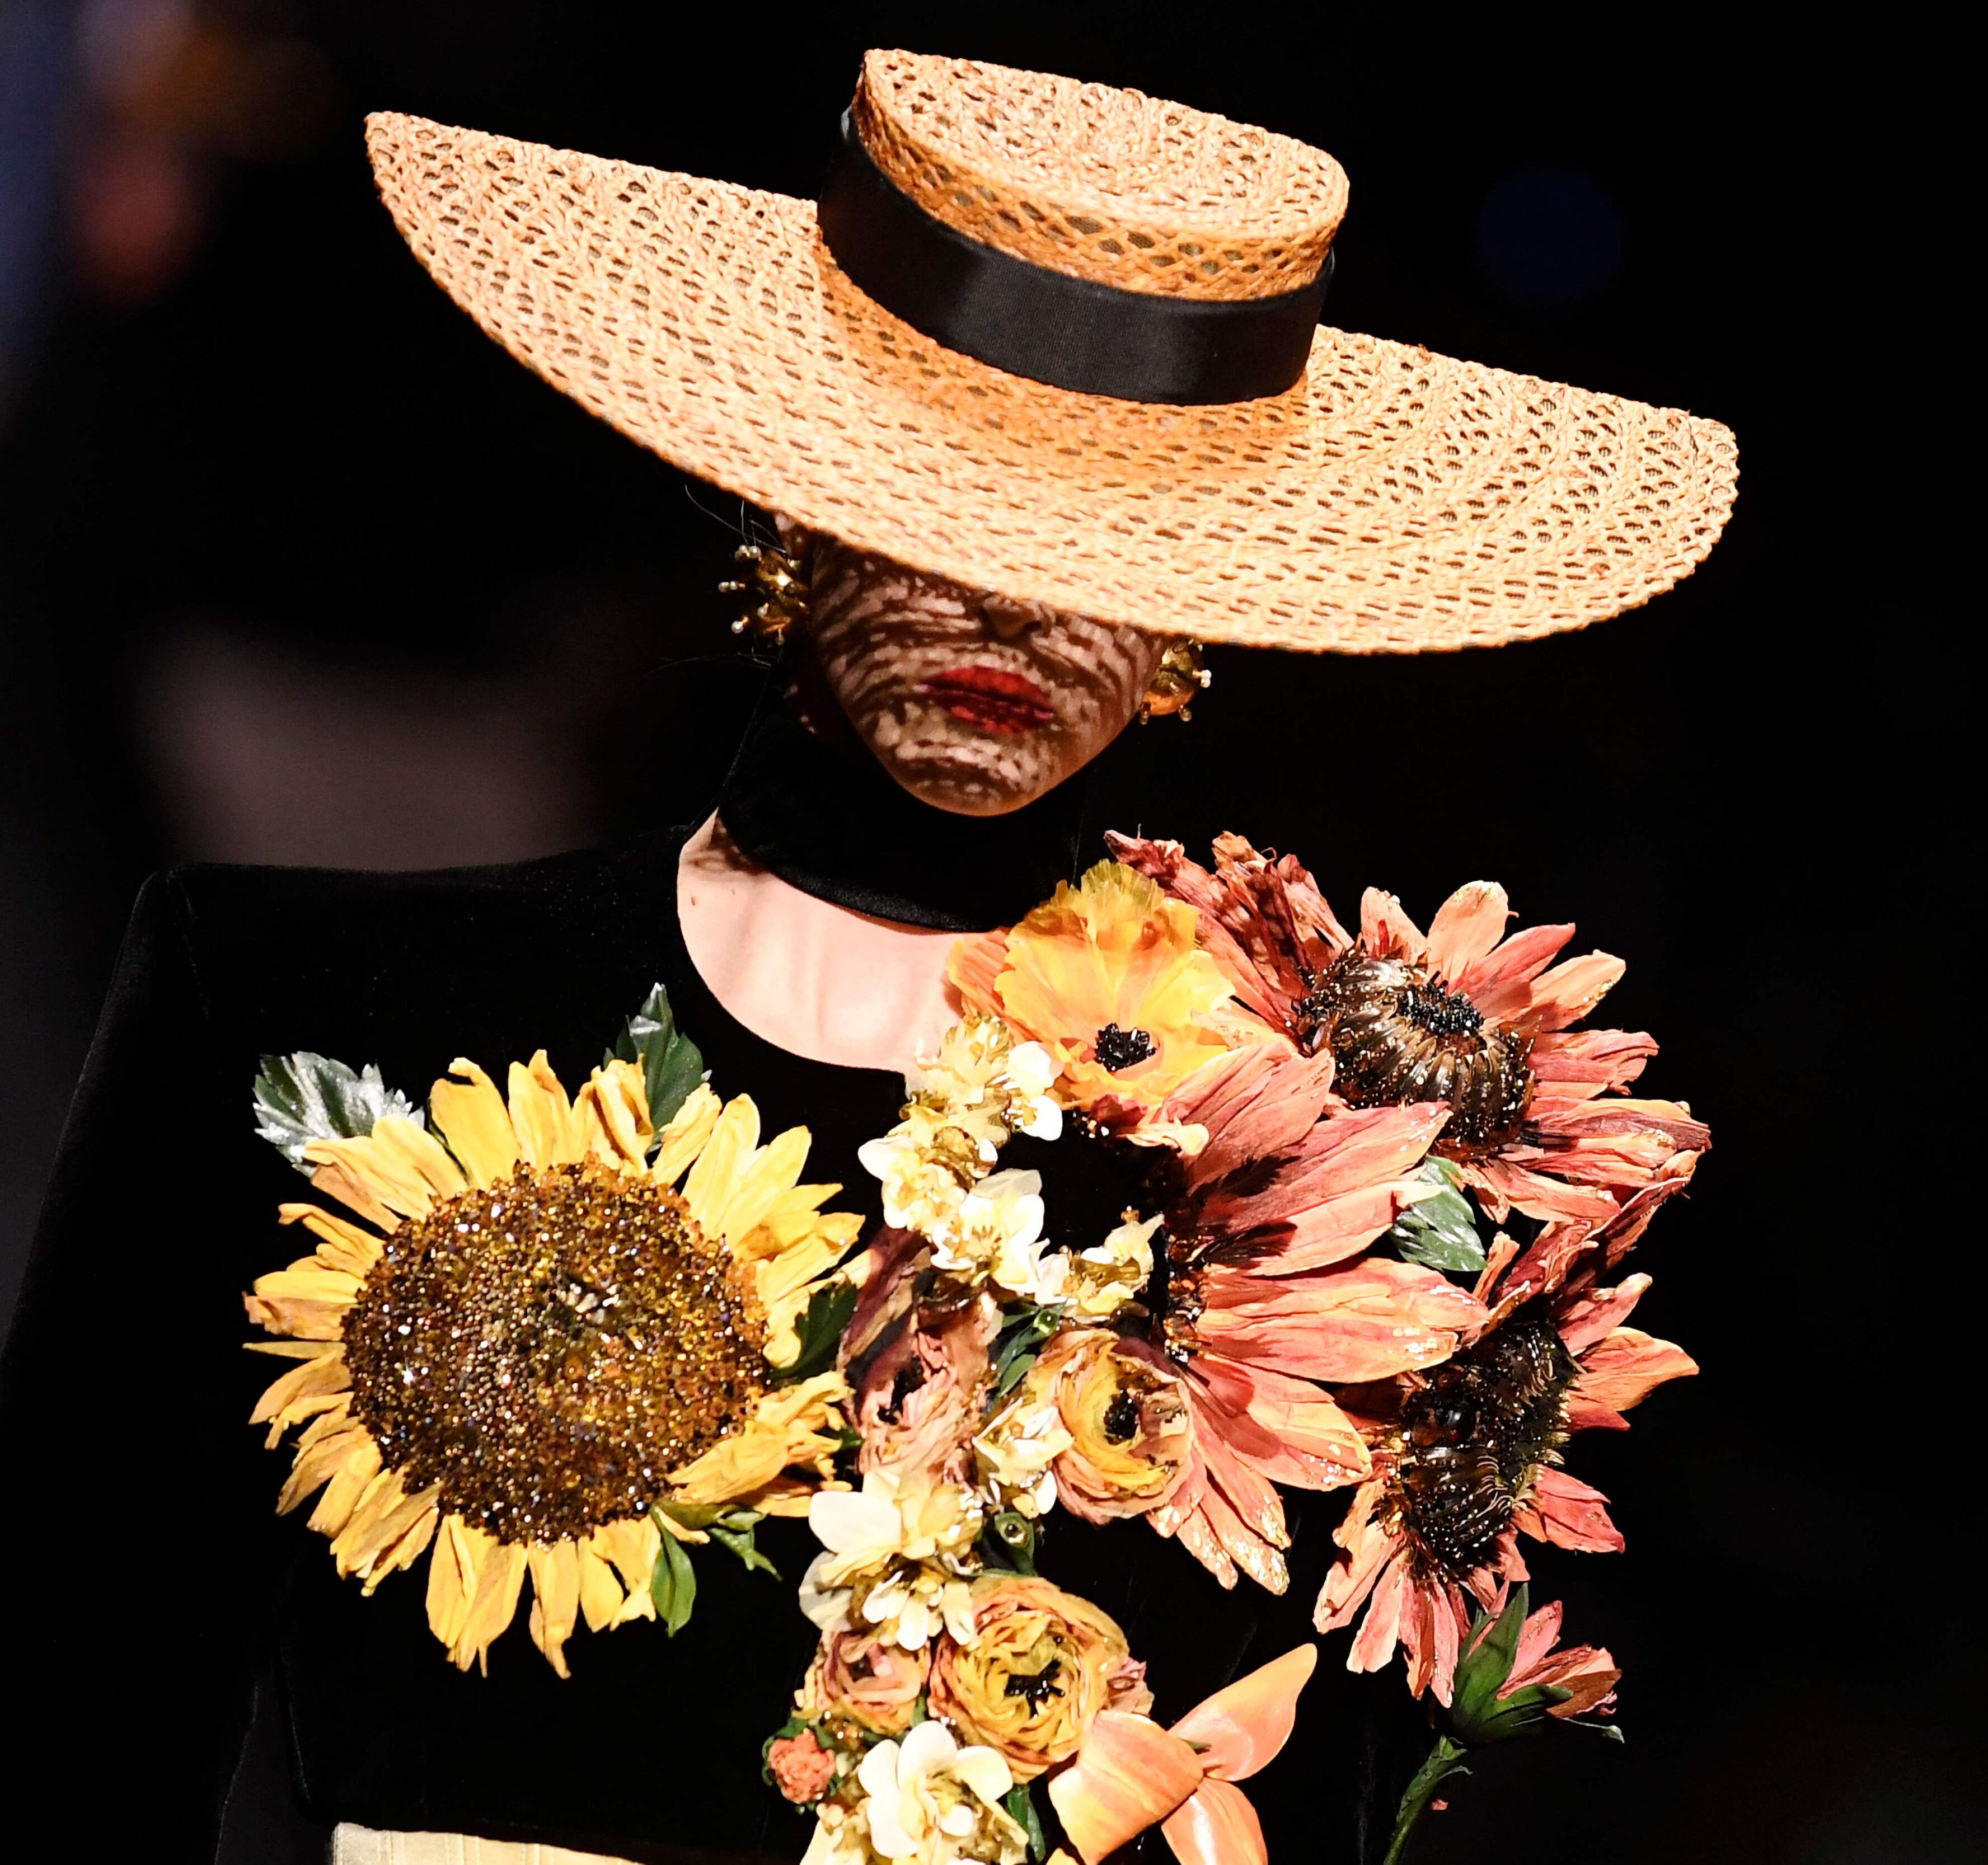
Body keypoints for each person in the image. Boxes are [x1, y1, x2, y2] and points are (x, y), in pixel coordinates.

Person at [0, 50, 1732, 1864]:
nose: (1002, 602)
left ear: (1194, 622)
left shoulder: (1338, 1193)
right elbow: (67, 1732)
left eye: (1111, 536)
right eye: (932, 497)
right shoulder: (289, 1015)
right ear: (784, 510)